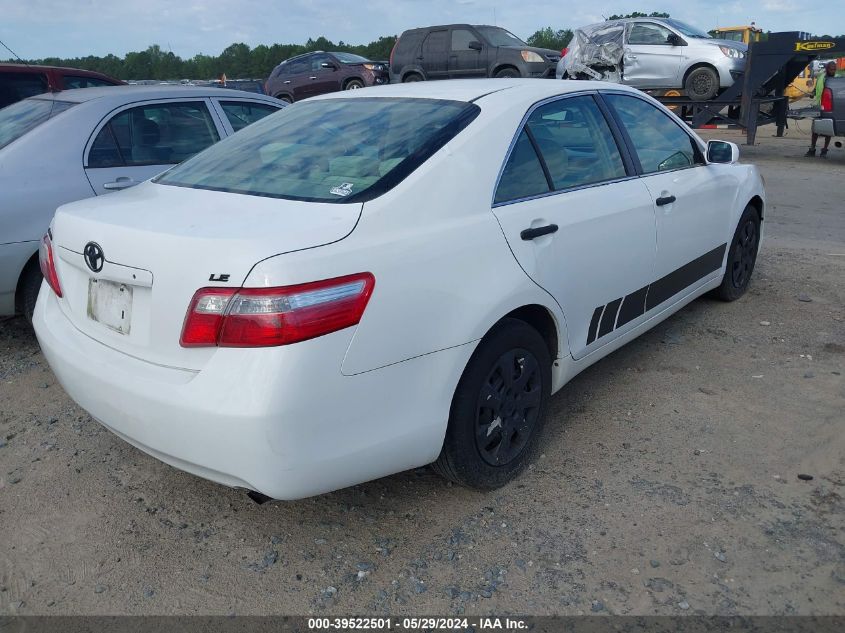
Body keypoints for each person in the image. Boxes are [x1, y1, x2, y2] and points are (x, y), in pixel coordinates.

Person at [805, 61, 837, 158]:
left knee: (828, 130)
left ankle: (824, 150)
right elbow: (816, 90)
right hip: (818, 106)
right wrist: (812, 93)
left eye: (834, 69)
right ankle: (812, 149)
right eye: (831, 69)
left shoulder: (836, 79)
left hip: (829, 108)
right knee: (815, 129)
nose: (833, 71)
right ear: (827, 69)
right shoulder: (821, 77)